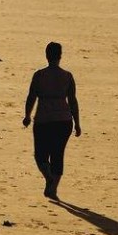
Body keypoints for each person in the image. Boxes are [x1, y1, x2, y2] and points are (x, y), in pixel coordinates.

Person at [22, 41, 81, 200]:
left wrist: (27, 115)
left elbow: (31, 97)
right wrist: (77, 123)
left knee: (40, 155)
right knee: (58, 154)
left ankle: (49, 178)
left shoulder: (40, 75)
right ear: (60, 56)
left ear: (46, 55)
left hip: (44, 119)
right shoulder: (67, 76)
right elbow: (73, 101)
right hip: (64, 120)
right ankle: (52, 187)